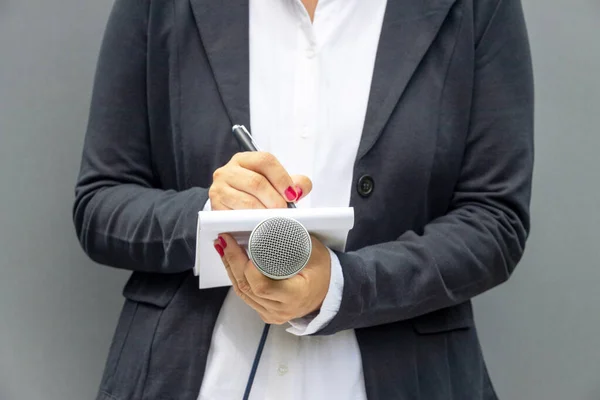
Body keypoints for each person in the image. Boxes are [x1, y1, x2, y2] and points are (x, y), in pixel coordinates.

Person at [73, 0, 534, 399]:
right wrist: (210, 215)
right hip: (192, 378)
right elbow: (100, 204)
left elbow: (494, 221)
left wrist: (339, 287)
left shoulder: (477, 7)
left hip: (401, 376)